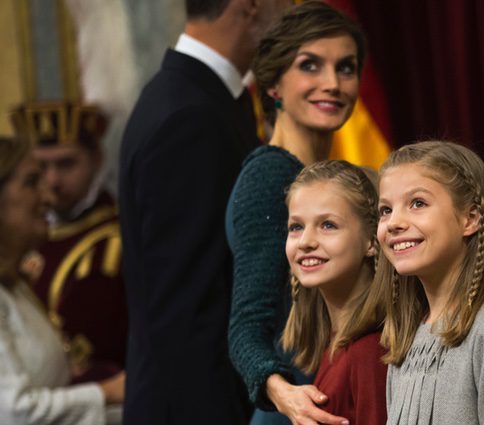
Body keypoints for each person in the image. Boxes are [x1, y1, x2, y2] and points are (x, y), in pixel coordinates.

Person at [118, 0, 287, 423]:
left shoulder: (198, 97)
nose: (291, 8)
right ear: (249, 5)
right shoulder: (188, 115)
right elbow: (186, 311)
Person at [226, 3, 365, 424]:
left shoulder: (321, 177)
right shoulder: (272, 175)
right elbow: (247, 323)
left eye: (346, 68)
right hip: (299, 408)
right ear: (272, 85)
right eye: (310, 66)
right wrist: (279, 391)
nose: (332, 83)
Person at [375, 141, 484, 424]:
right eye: (385, 210)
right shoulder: (407, 340)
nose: (394, 222)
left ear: (470, 218)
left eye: (417, 203)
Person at [0, 136, 124, 425]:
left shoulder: (15, 286)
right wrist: (108, 392)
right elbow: (13, 413)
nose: (47, 195)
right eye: (32, 181)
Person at [9, 100, 127, 383]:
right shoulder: (21, 236)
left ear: (97, 159)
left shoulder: (115, 242)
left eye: (66, 164)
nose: (52, 181)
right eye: (40, 168)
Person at [282, 160, 387, 425]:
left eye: (328, 225)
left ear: (371, 241)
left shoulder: (370, 351)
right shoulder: (337, 344)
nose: (306, 241)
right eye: (296, 226)